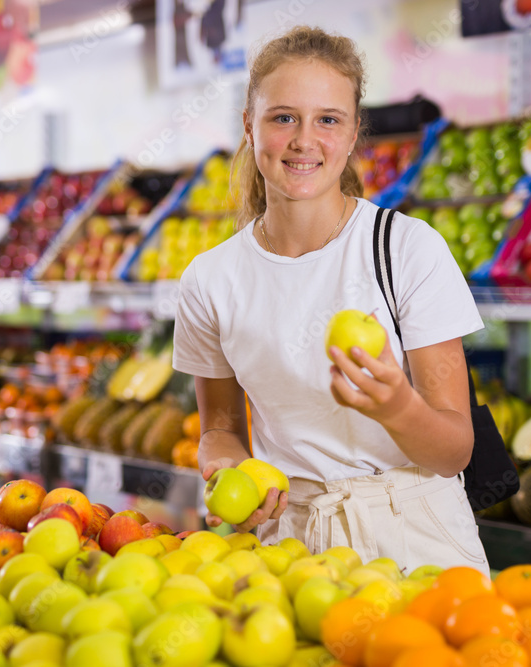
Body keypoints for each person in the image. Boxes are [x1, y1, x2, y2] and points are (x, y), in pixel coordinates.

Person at [172, 26, 489, 575]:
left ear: (352, 133)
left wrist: (397, 407)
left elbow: (454, 451)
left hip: (415, 537)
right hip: (290, 547)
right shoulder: (210, 279)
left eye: (328, 119)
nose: (304, 139)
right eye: (283, 117)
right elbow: (219, 428)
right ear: (250, 126)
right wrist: (227, 465)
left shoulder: (407, 249)